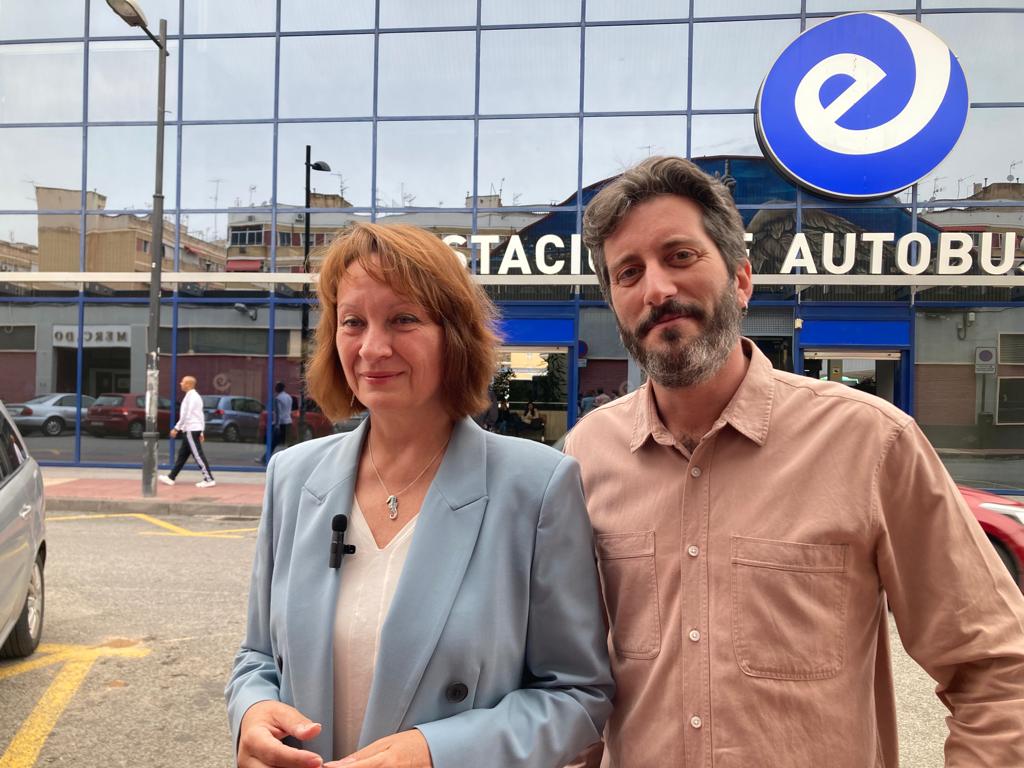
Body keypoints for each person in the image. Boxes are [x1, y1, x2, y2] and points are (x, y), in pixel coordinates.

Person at [565, 156, 1024, 767]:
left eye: (680, 256)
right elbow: (576, 684)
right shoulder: (586, 455)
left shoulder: (870, 443)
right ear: (615, 303)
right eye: (629, 272)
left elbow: (996, 671)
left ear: (741, 281)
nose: (657, 289)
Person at [226, 222, 612, 768]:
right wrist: (252, 711)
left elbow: (577, 695)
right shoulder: (292, 476)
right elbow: (258, 656)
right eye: (353, 322)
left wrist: (438, 753)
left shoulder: (537, 485)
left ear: (454, 335)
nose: (372, 347)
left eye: (403, 319)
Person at [159, 375, 215, 488]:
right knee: (182, 455)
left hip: (191, 429)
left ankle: (209, 479)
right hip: (192, 429)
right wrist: (201, 431)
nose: (180, 383)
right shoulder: (192, 396)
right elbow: (200, 415)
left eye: (183, 382)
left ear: (188, 384)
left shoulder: (192, 397)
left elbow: (187, 415)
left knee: (198, 455)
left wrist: (176, 428)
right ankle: (171, 477)